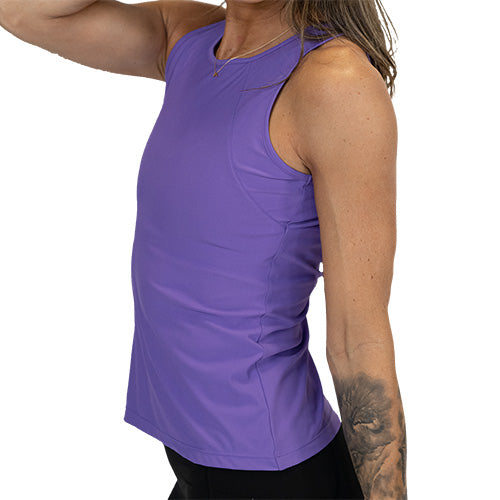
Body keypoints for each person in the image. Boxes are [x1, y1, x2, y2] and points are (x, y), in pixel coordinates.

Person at [0, 0, 406, 498]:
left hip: (274, 475)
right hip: (195, 464)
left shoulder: (334, 81)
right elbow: (20, 11)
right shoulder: (186, 38)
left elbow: (357, 342)